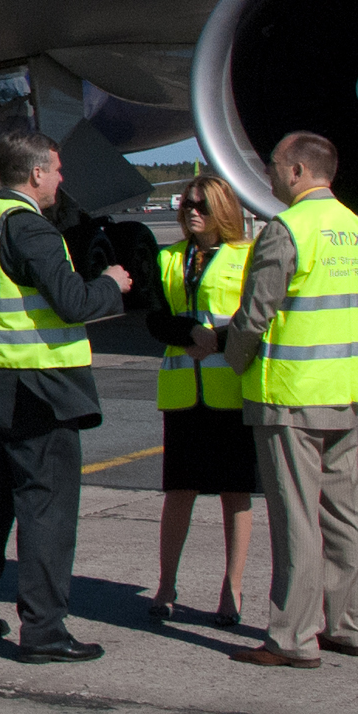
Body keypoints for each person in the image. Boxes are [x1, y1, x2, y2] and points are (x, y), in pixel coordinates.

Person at [0, 129, 133, 663]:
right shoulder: (29, 228)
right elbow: (73, 303)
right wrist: (111, 283)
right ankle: (45, 632)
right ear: (35, 174)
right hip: (37, 390)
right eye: (55, 169)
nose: (60, 178)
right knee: (46, 513)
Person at [217, 131, 358, 668]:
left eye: (273, 166)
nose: (267, 176)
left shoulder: (288, 229)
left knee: (297, 520)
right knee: (345, 516)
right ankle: (351, 626)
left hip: (291, 392)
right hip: (343, 389)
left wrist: (231, 359)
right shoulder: (356, 229)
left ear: (295, 172)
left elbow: (256, 312)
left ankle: (292, 637)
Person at [142, 175, 257, 627]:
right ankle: (166, 583)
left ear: (223, 210)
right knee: (179, 492)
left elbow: (256, 315)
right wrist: (188, 334)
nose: (192, 212)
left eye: (203, 206)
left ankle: (232, 588)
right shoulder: (169, 257)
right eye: (188, 204)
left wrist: (215, 340)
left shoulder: (246, 256)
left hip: (229, 390)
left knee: (235, 492)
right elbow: (154, 316)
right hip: (183, 392)